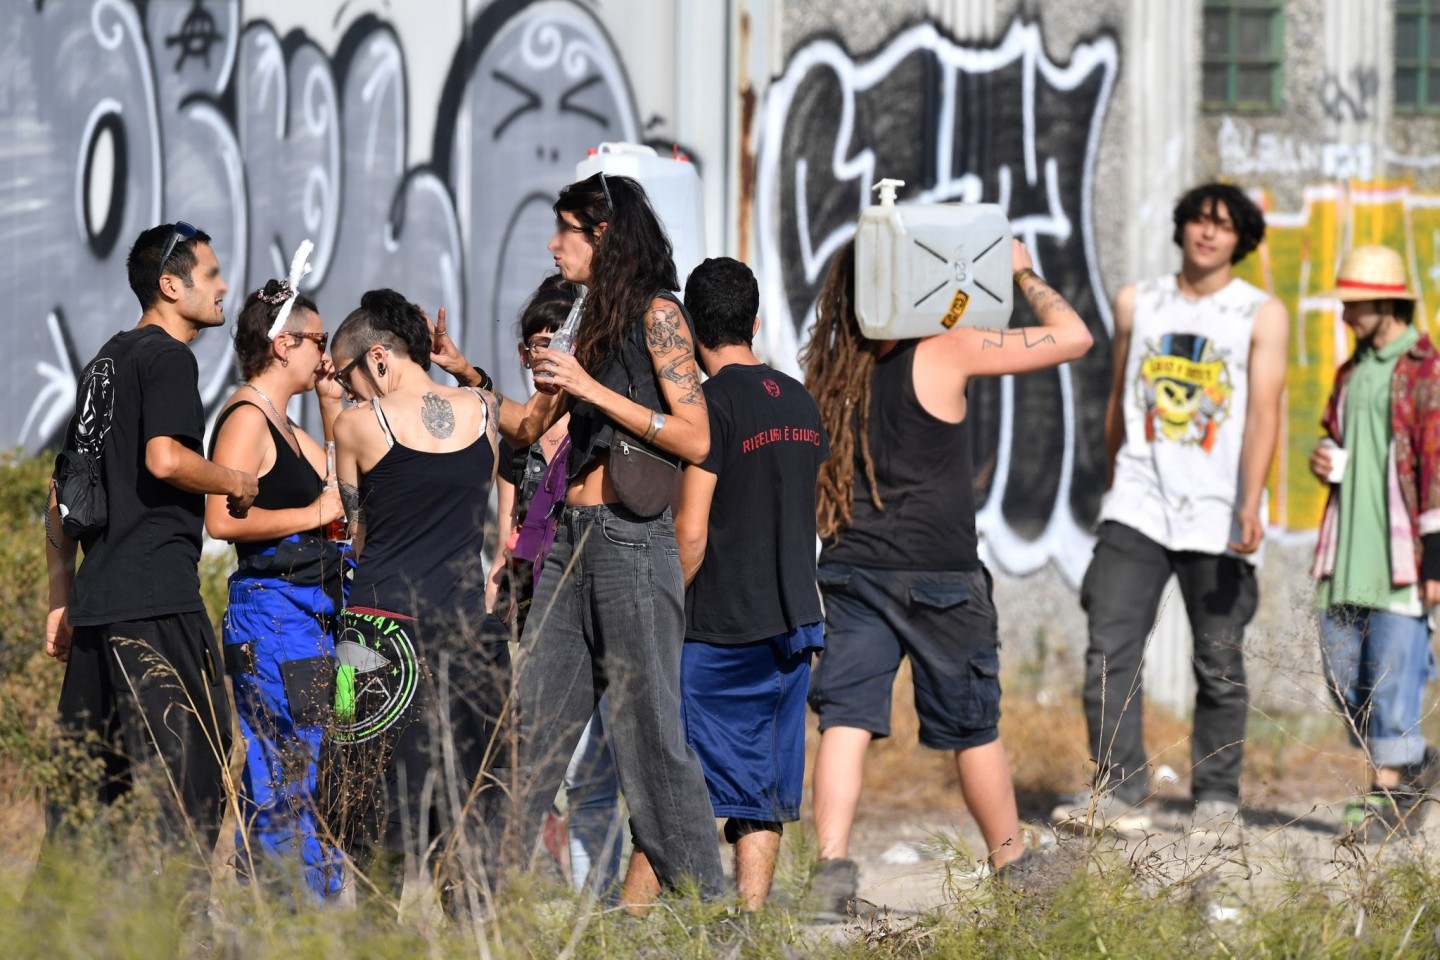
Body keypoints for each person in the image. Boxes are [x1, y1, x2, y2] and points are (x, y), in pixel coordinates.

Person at [450, 173, 726, 901]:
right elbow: (528, 427)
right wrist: (467, 375)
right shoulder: (580, 318)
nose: (552, 244)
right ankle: (475, 907)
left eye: (564, 230)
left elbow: (696, 435)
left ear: (603, 234)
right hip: (568, 542)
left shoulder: (660, 314)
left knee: (650, 742)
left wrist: (593, 388)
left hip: (631, 543)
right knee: (528, 728)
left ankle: (713, 918)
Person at [804, 238, 1093, 912]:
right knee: (972, 727)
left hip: (851, 567)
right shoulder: (945, 348)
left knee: (846, 718)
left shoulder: (829, 368)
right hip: (939, 572)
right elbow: (1072, 335)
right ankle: (1013, 868)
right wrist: (1020, 270)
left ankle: (832, 870)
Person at [1052, 182, 1288, 841]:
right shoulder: (1139, 301)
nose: (1209, 234)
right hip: (1138, 505)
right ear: (1181, 228)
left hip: (1219, 511)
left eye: (1223, 225)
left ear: (1241, 239)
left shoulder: (1259, 313)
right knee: (1109, 649)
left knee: (1218, 659)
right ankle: (1120, 790)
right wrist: (1113, 483)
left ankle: (1215, 795)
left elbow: (1266, 411)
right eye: (1199, 222)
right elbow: (1118, 395)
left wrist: (1250, 500)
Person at [43, 222, 258, 856]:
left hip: (97, 607)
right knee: (188, 795)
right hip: (156, 604)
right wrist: (234, 481)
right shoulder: (168, 357)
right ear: (171, 285)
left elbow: (61, 500)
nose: (223, 287)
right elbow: (165, 459)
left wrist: (61, 601)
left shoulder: (104, 362)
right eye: (211, 274)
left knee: (83, 809)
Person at [624, 256, 829, 911]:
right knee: (762, 784)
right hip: (794, 622)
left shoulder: (705, 408)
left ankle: (626, 924)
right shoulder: (798, 398)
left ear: (689, 327)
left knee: (675, 781)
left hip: (716, 630)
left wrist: (663, 611)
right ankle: (748, 922)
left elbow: (691, 531)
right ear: (755, 318)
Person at [327, 289, 504, 887]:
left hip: (371, 635)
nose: (348, 392)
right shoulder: (483, 408)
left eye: (348, 377)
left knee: (363, 804)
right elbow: (532, 421)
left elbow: (357, 539)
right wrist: (465, 368)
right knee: (469, 808)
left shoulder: (354, 425)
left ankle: (381, 941)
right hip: (467, 632)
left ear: (377, 360)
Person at [204, 277, 346, 898]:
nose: (326, 355)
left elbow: (342, 481)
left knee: (319, 759)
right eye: (317, 341)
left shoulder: (286, 424)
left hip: (309, 617)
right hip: (270, 617)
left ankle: (307, 901)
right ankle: (292, 913)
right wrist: (310, 517)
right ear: (283, 344)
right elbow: (218, 517)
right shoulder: (246, 417)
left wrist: (331, 398)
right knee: (286, 768)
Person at [486, 276, 624, 899]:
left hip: (586, 587)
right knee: (540, 752)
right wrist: (498, 573)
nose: (547, 355)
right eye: (538, 345)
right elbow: (506, 521)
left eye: (557, 342)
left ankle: (592, 894)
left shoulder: (588, 422)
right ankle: (544, 884)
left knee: (588, 761)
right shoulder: (518, 433)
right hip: (530, 598)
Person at [1308, 245, 1440, 841]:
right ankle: (1414, 763)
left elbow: (1436, 463)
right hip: (1346, 550)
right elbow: (1341, 441)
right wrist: (1325, 461)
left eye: (1353, 305)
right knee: (1343, 676)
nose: (1345, 317)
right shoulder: (1351, 370)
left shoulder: (1425, 368)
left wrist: (1436, 556)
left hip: (1401, 554)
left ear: (1385, 302)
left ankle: (1390, 793)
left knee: (1389, 674)